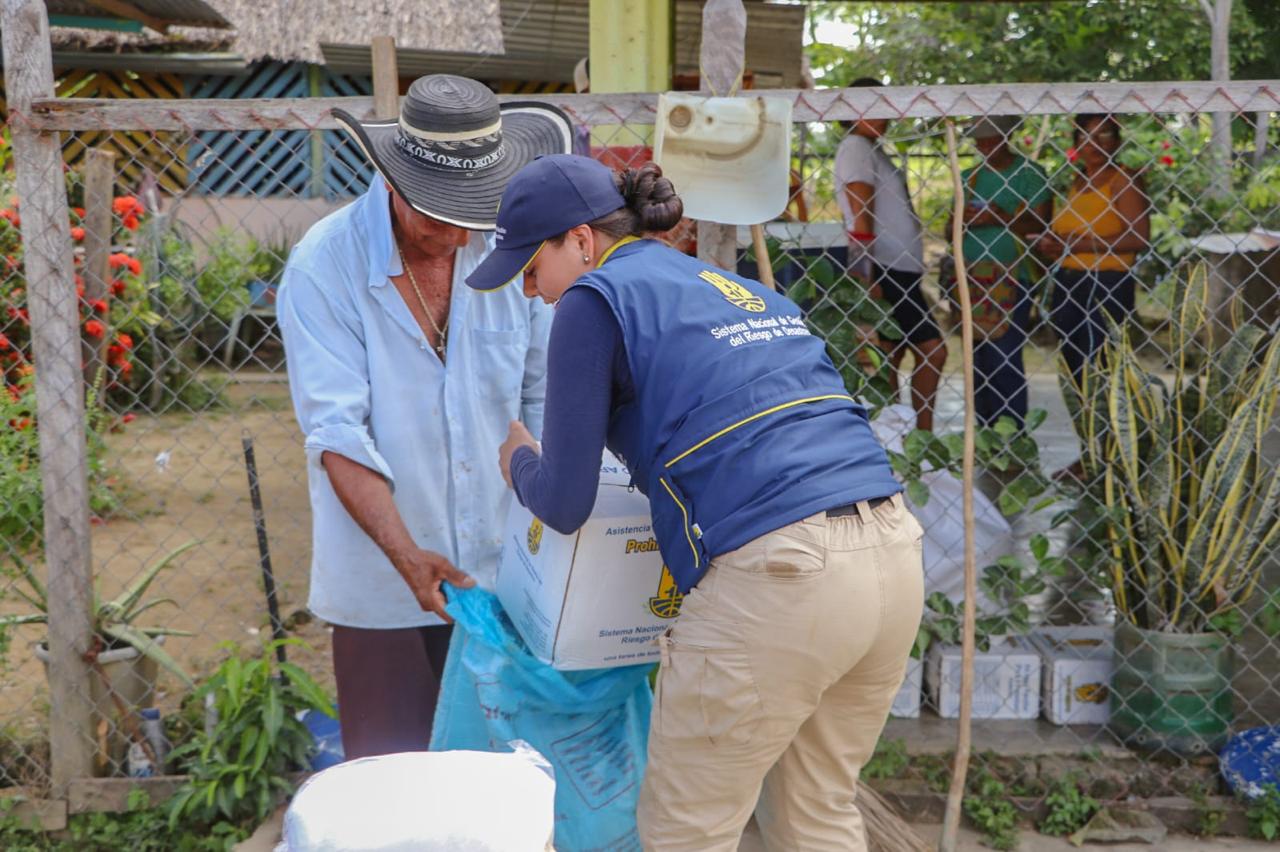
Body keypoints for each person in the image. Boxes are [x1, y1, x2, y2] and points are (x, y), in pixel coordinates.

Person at [469, 155, 925, 852]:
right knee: (816, 812)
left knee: (688, 831)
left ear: (582, 241)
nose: (533, 292)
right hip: (891, 555)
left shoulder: (594, 300)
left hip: (782, 577)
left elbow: (563, 501)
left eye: (532, 269)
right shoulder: (738, 291)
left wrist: (517, 461)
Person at [277, 75, 571, 760]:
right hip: (382, 581)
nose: (459, 234)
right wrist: (407, 556)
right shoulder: (324, 266)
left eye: (473, 213)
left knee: (509, 779)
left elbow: (543, 397)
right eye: (438, 216)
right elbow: (336, 432)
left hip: (507, 575)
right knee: (393, 778)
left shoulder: (510, 253)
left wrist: (550, 534)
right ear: (393, 182)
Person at [837, 77, 947, 431]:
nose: (883, 115)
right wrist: (864, 274)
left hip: (899, 267)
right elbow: (860, 215)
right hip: (885, 267)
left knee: (891, 353)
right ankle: (918, 433)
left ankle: (900, 435)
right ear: (852, 110)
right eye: (873, 107)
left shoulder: (871, 147)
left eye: (884, 106)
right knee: (931, 349)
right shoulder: (856, 146)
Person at [950, 115, 1052, 427]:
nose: (984, 146)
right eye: (979, 141)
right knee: (977, 358)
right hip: (972, 276)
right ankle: (984, 430)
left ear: (1006, 137)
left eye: (990, 139)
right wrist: (965, 219)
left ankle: (1011, 431)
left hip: (1013, 275)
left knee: (1003, 355)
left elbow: (1041, 225)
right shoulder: (969, 177)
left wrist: (1000, 217)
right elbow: (948, 229)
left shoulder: (1029, 174)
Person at [1036, 113, 1150, 378]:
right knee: (1073, 368)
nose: (1094, 143)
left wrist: (1081, 246)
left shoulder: (1123, 179)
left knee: (1100, 366)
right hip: (1069, 281)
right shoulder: (1079, 180)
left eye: (1104, 134)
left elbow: (1138, 237)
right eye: (1085, 136)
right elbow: (1070, 233)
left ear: (1117, 141)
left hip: (1105, 283)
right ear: (1076, 143)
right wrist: (1054, 245)